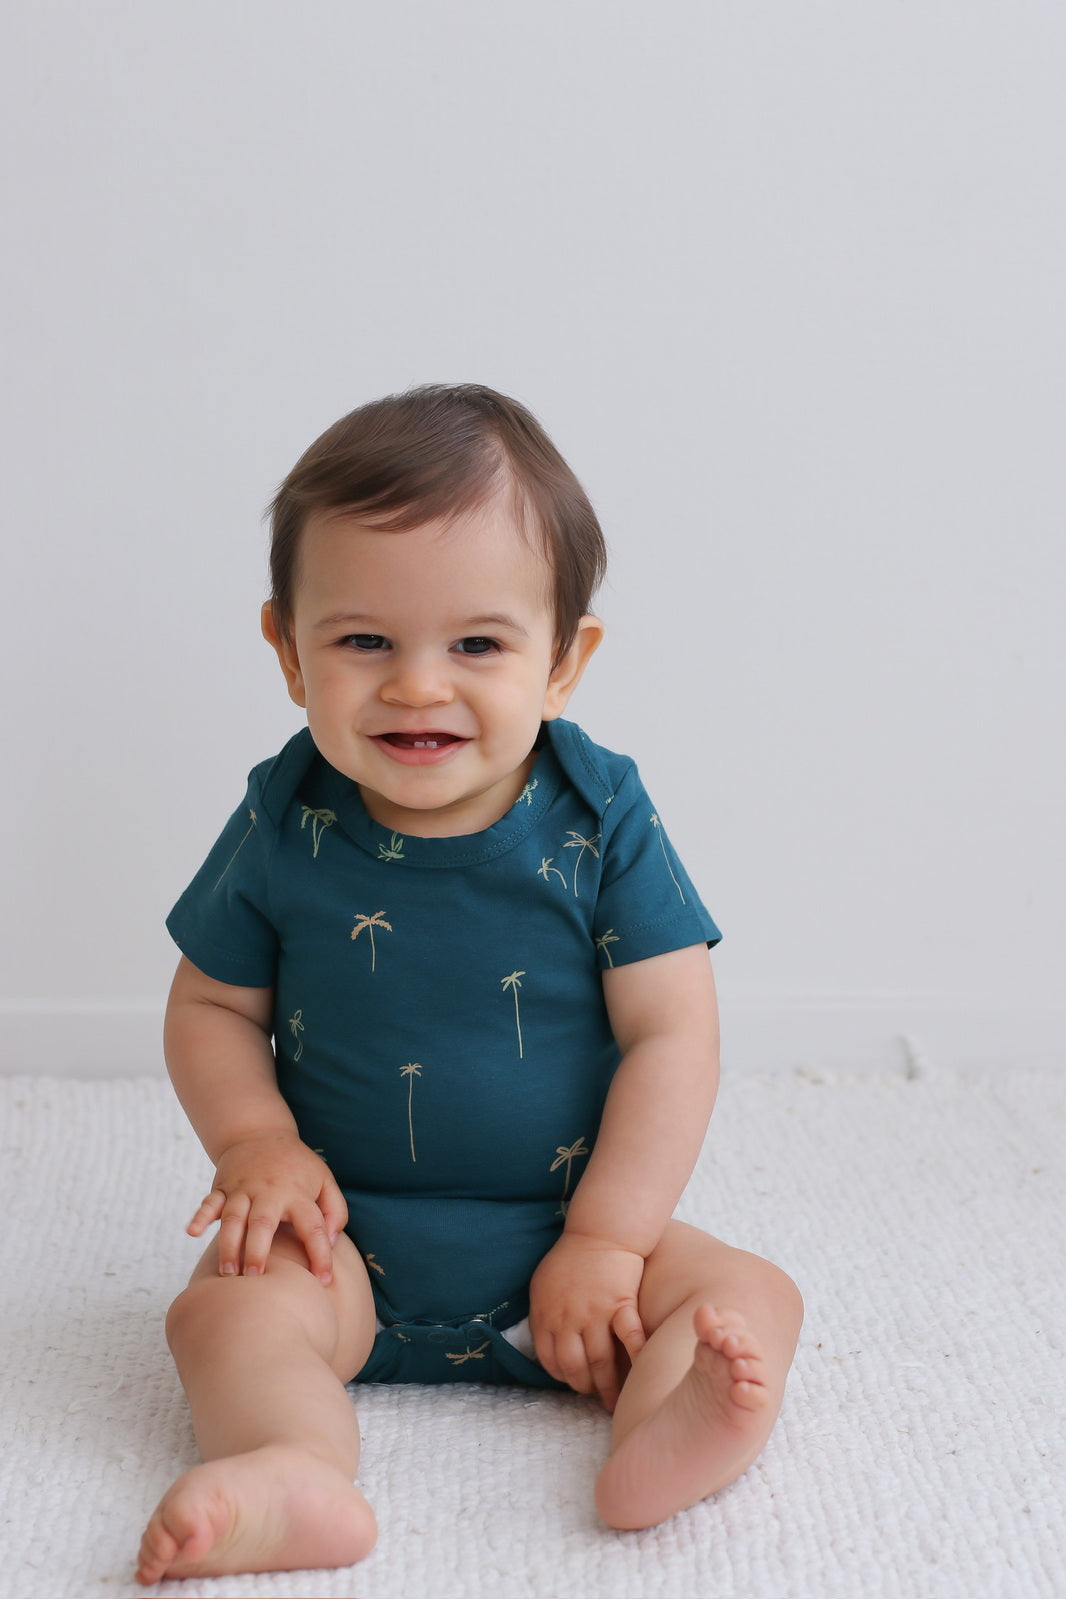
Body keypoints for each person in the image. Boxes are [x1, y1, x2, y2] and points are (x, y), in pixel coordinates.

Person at [136, 383, 803, 1585]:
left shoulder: (603, 819)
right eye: (364, 641)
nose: (417, 684)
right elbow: (209, 1006)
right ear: (289, 650)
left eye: (477, 644)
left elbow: (671, 1037)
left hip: (570, 1239)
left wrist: (606, 1241)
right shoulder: (284, 818)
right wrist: (254, 1146)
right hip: (332, 1235)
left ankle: (668, 1428)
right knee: (222, 1317)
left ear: (564, 660)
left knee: (747, 1291)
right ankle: (290, 1464)